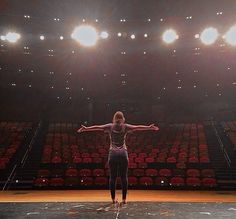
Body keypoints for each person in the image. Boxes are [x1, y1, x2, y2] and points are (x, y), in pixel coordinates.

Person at [77, 111, 159, 204]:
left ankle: (113, 199)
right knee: (124, 177)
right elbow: (137, 127)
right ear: (123, 118)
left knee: (113, 178)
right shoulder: (125, 126)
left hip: (113, 154)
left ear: (114, 118)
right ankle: (124, 200)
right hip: (123, 154)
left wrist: (86, 128)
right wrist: (149, 127)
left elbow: (97, 127)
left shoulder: (110, 126)